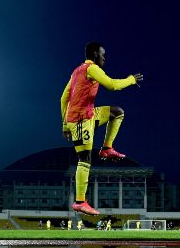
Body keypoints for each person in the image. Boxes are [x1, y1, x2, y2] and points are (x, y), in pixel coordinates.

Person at [62, 41, 144, 216]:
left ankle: (107, 148)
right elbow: (112, 85)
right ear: (94, 54)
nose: (104, 57)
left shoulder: (76, 71)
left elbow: (64, 98)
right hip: (80, 120)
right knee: (84, 159)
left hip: (88, 114)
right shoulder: (92, 69)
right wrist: (131, 79)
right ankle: (80, 202)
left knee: (117, 113)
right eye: (102, 54)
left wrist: (64, 124)